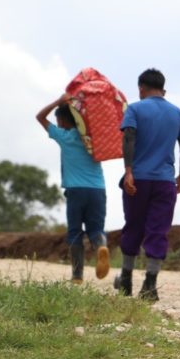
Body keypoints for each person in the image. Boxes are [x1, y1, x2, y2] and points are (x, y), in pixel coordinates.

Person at [114, 68, 180, 301]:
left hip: (137, 179)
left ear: (141, 88)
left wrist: (128, 171)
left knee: (134, 226)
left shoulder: (135, 109)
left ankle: (126, 280)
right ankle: (150, 284)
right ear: (163, 89)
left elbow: (128, 138)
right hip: (166, 182)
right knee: (158, 230)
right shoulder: (178, 113)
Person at [36, 94, 109, 283]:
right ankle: (101, 245)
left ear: (61, 120)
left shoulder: (64, 136)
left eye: (58, 120)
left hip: (75, 191)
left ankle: (77, 276)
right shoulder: (92, 137)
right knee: (96, 229)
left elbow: (40, 117)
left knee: (75, 232)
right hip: (97, 189)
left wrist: (57, 101)